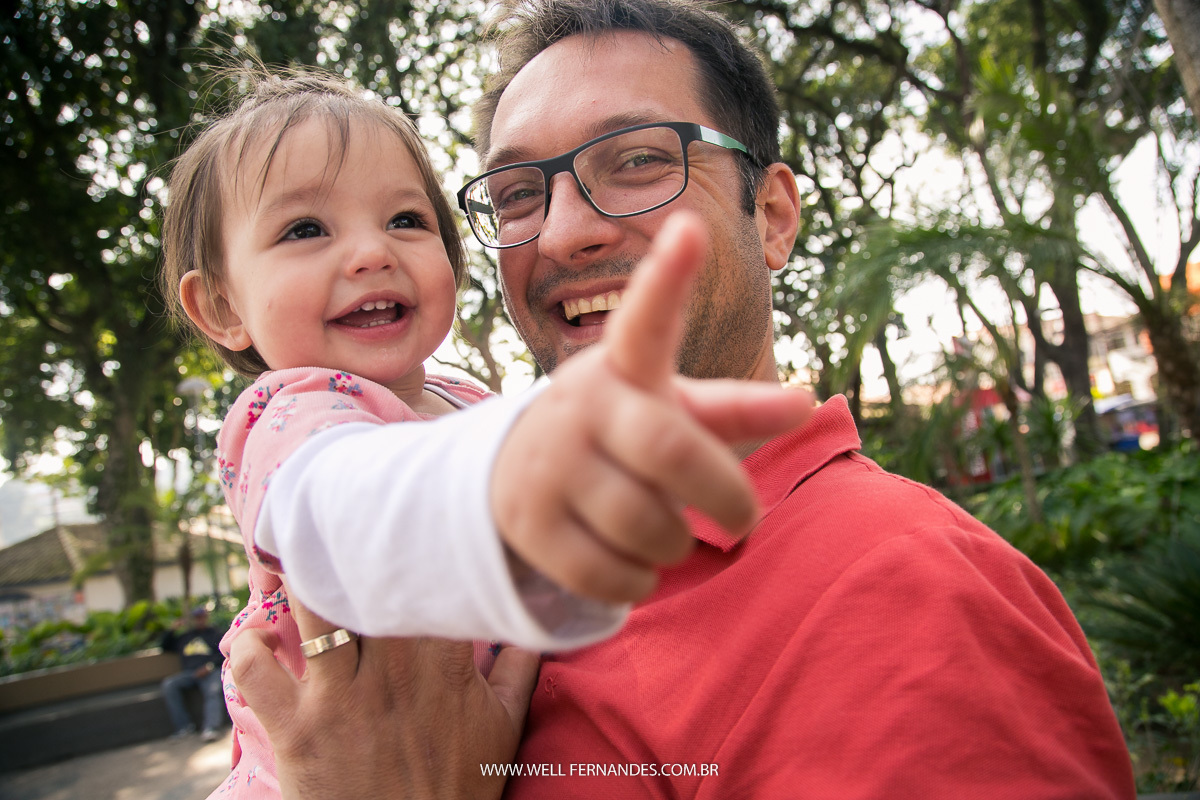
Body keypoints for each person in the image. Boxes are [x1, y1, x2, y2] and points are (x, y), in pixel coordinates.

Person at [228, 1, 1139, 797]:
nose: (567, 230)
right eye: (515, 193)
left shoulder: (906, 590)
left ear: (772, 216)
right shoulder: (525, 528)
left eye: (636, 161)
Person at [159, 67, 811, 798]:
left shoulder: (466, 399)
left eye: (406, 220)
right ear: (220, 305)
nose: (373, 252)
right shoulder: (288, 414)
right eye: (305, 229)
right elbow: (341, 502)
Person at [160, 605, 225, 742]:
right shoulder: (185, 637)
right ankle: (184, 727)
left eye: (202, 617)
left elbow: (224, 653)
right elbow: (164, 646)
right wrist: (173, 629)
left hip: (210, 671)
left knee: (213, 690)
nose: (199, 620)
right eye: (196, 618)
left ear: (206, 617)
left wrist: (209, 666)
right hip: (190, 674)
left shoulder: (215, 634)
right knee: (169, 684)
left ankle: (211, 728)